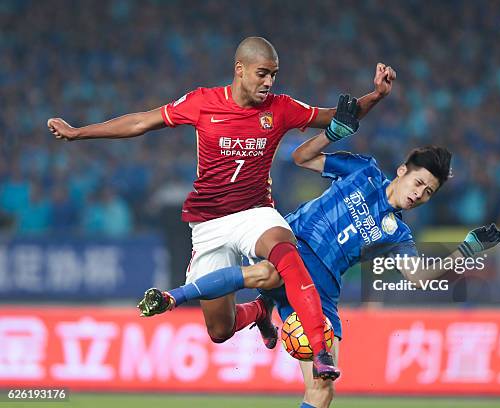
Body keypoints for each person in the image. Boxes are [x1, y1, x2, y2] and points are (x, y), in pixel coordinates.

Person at [47, 36, 396, 381]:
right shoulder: (203, 102)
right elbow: (142, 122)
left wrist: (376, 96)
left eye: (273, 74)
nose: (269, 81)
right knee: (219, 330)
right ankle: (260, 311)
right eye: (262, 73)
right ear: (239, 70)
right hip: (209, 222)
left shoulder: (281, 107)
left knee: (286, 256)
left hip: (255, 212)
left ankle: (321, 352)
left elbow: (336, 116)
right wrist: (79, 133)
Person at [140, 95, 500, 407]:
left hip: (322, 289)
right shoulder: (364, 172)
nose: (418, 194)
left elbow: (419, 276)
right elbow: (302, 157)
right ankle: (177, 297)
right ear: (402, 170)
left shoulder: (398, 235)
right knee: (269, 272)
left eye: (428, 193)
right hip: (293, 245)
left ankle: (260, 310)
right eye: (418, 182)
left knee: (323, 390)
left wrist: (466, 250)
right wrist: (331, 135)